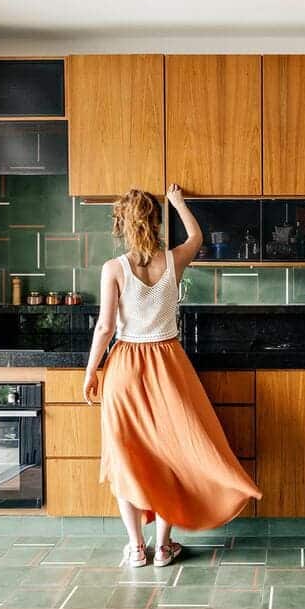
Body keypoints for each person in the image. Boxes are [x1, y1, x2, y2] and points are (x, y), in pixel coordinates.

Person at [81, 185, 261, 568]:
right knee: (171, 458)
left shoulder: (113, 269)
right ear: (157, 222)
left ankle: (136, 548)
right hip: (168, 365)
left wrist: (91, 370)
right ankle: (163, 546)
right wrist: (179, 203)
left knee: (126, 459)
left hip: (125, 368)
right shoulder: (174, 259)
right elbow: (197, 237)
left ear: (121, 225)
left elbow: (105, 327)